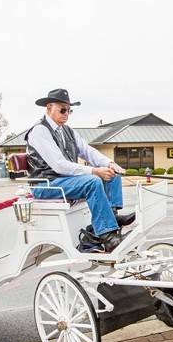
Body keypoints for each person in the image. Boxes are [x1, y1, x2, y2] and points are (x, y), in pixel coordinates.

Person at [25, 88, 135, 252]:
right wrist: (93, 171)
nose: (66, 114)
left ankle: (112, 217)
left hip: (64, 181)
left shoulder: (67, 131)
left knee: (112, 174)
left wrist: (109, 163)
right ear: (49, 108)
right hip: (46, 184)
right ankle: (109, 238)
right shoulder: (39, 131)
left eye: (69, 110)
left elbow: (87, 151)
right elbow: (59, 165)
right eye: (63, 110)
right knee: (93, 181)